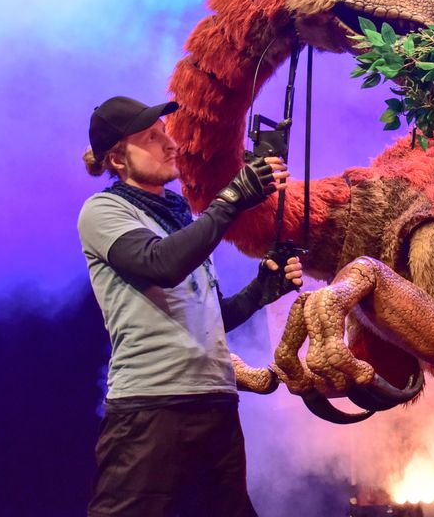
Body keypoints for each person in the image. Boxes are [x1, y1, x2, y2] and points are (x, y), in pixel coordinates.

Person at [78, 96, 304, 517]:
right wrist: (231, 199)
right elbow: (161, 264)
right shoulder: (104, 210)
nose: (170, 144)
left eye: (165, 133)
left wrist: (260, 291)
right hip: (152, 409)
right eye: (151, 137)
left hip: (215, 404)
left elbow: (209, 316)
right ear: (118, 158)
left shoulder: (180, 217)